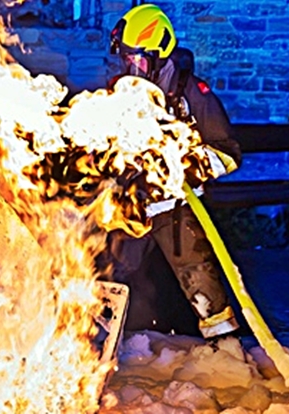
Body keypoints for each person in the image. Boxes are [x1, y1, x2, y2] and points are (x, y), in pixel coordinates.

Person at [105, 3, 243, 339]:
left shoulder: (192, 94)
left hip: (176, 207)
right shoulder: (120, 92)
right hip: (131, 205)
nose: (131, 68)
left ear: (158, 55)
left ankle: (223, 345)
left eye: (138, 60)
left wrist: (186, 167)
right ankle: (100, 341)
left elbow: (227, 153)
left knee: (198, 277)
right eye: (126, 59)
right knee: (111, 272)